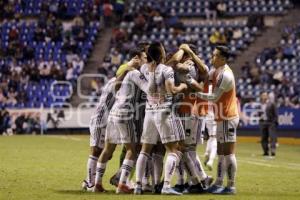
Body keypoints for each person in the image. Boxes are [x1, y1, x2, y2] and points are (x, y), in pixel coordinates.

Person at [134, 42, 187, 195]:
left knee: (145, 150)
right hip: (164, 110)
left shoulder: (144, 68)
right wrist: (183, 86)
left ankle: (139, 185)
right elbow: (171, 90)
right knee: (172, 149)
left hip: (149, 111)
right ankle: (166, 186)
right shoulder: (166, 70)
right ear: (161, 54)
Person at [94, 48, 148, 193]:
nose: (146, 60)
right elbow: (149, 89)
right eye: (144, 58)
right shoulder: (136, 73)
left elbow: (115, 86)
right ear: (137, 58)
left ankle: (97, 185)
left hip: (114, 112)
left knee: (107, 149)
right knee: (133, 149)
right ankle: (122, 184)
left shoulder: (125, 71)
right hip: (126, 113)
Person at [196, 46, 239, 195]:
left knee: (228, 153)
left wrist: (197, 93)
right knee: (221, 152)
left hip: (228, 117)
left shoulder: (226, 75)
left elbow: (214, 97)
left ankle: (231, 186)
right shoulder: (215, 72)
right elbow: (204, 77)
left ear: (223, 59)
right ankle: (219, 182)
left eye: (215, 56)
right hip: (221, 116)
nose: (212, 58)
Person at [259, 92, 278, 157]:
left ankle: (273, 151)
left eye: (265, 95)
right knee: (263, 138)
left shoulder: (272, 104)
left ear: (267, 96)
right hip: (263, 122)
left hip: (270, 122)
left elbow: (275, 114)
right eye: (262, 95)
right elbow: (259, 113)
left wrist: (274, 122)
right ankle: (265, 151)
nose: (264, 97)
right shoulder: (260, 104)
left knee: (272, 137)